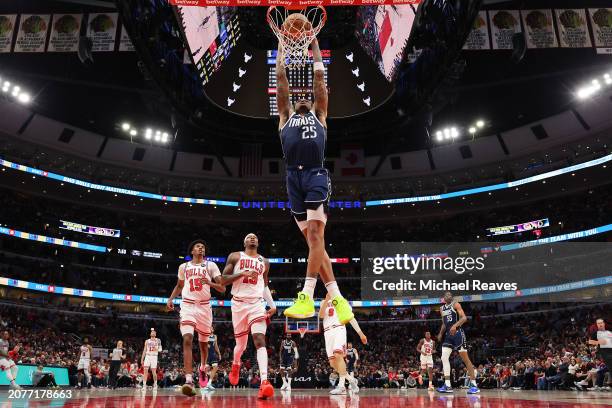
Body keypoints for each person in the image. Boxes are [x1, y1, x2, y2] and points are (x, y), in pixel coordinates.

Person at [275, 36, 353, 324]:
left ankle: (306, 297)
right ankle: (339, 299)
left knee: (317, 238)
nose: (305, 98)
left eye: (309, 96)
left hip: (315, 174)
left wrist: (315, 43)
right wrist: (282, 45)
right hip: (292, 179)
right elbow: (281, 79)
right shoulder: (285, 115)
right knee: (314, 245)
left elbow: (320, 81)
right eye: (300, 98)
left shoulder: (320, 114)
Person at [166, 239, 229, 396]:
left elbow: (222, 288)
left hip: (205, 307)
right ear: (192, 251)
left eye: (203, 247)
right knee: (187, 339)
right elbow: (180, 286)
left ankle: (202, 367)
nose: (201, 248)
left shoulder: (211, 266)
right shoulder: (184, 267)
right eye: (198, 247)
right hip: (187, 305)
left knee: (203, 345)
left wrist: (210, 283)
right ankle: (188, 380)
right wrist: (170, 299)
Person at [222, 233, 277, 400]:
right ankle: (236, 364)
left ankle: (264, 381)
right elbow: (223, 280)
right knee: (241, 346)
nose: (252, 238)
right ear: (244, 241)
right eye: (249, 237)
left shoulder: (264, 262)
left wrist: (272, 305)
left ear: (258, 242)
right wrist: (242, 274)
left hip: (257, 304)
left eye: (255, 237)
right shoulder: (235, 256)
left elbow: (264, 285)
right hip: (238, 304)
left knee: (260, 339)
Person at [319, 293, 367, 395]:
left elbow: (351, 319)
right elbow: (321, 316)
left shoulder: (343, 302)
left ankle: (341, 387)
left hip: (339, 329)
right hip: (327, 333)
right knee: (333, 363)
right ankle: (351, 379)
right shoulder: (324, 302)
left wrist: (361, 333)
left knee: (338, 356)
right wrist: (326, 299)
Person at [436, 292, 479, 394]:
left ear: (452, 297)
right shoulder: (442, 309)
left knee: (465, 359)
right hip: (448, 335)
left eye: (450, 295)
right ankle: (447, 385)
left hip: (458, 333)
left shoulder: (456, 304)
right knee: (444, 358)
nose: (448, 296)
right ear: (443, 298)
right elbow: (444, 323)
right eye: (446, 295)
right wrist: (440, 333)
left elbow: (464, 318)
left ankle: (474, 385)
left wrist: (455, 325)